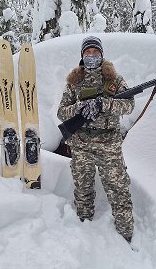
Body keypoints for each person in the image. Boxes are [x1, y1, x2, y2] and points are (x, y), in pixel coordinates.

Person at [57, 36, 135, 243]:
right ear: (82, 56)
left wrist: (103, 104)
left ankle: (126, 232)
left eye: (95, 52)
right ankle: (83, 226)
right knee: (82, 188)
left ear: (101, 54)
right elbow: (61, 112)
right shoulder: (74, 81)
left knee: (118, 189)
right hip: (81, 145)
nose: (91, 55)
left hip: (109, 146)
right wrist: (80, 108)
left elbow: (128, 105)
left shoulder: (114, 80)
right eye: (87, 52)